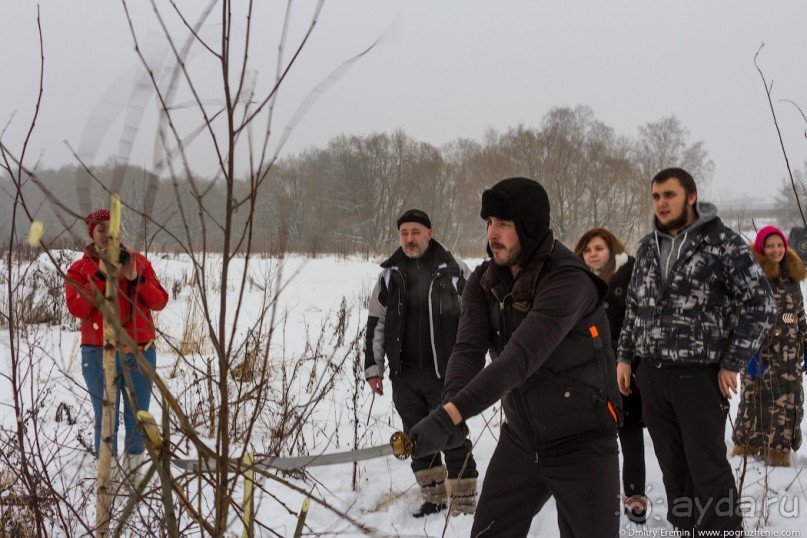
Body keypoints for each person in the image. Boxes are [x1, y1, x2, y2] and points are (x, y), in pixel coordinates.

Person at [409, 178, 622, 537]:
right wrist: (451, 407)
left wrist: (451, 414)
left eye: (504, 224)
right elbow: (468, 349)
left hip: (583, 444)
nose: (493, 233)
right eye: (490, 223)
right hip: (523, 440)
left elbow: (520, 358)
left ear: (530, 227)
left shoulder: (570, 280)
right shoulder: (484, 281)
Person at [616, 168, 776, 534]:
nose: (661, 203)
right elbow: (634, 305)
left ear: (691, 197)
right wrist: (625, 356)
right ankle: (686, 528)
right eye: (656, 197)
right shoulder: (646, 246)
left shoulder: (722, 244)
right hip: (652, 374)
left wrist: (732, 362)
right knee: (672, 466)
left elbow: (761, 304)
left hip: (699, 376)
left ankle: (721, 529)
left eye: (669, 195)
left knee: (706, 466)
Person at [364, 209, 478, 518]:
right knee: (415, 437)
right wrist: (373, 368)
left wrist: (484, 363)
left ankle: (464, 500)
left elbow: (477, 317)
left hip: (445, 372)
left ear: (430, 233)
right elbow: (376, 322)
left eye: (416, 232)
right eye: (404, 233)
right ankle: (434, 497)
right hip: (404, 374)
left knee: (451, 433)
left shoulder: (454, 270)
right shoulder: (390, 274)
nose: (410, 239)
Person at [65, 209, 168, 476]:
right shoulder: (79, 269)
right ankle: (106, 479)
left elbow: (160, 301)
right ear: (92, 233)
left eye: (113, 230)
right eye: (101, 230)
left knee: (138, 417)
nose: (108, 236)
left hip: (140, 352)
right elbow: (78, 308)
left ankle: (134, 475)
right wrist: (99, 275)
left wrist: (135, 277)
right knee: (106, 417)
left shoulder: (139, 262)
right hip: (98, 353)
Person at [574, 228, 648, 522]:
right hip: (589, 374)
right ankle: (593, 498)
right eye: (588, 249)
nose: (593, 254)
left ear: (611, 250)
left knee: (631, 435)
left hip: (630, 369)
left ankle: (635, 498)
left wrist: (625, 358)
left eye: (598, 248)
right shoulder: (576, 282)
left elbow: (639, 320)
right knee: (593, 441)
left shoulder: (629, 276)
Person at [732, 225, 807, 467]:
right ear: (761, 248)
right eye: (769, 245)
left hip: (789, 356)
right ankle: (747, 447)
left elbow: (797, 315)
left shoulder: (792, 277)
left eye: (779, 245)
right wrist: (750, 350)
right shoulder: (752, 276)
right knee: (754, 399)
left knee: (787, 401)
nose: (775, 250)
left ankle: (779, 452)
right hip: (760, 353)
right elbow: (742, 316)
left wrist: (804, 341)